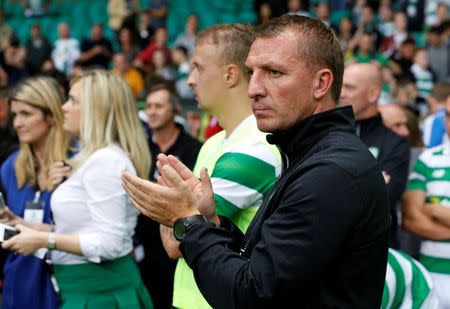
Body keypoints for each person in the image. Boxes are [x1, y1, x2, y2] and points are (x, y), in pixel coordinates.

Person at [123, 15, 391, 308]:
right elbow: (271, 265)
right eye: (252, 72)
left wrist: (188, 222)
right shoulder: (308, 155)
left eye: (274, 73)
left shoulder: (331, 172)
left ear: (321, 84)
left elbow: (253, 294)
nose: (254, 89)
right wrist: (212, 223)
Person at [2, 71, 153, 308]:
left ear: (95, 109)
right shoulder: (94, 158)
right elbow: (80, 229)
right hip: (82, 289)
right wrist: (22, 224)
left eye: (73, 100)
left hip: (99, 291)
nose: (63, 107)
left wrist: (42, 239)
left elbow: (110, 243)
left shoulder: (106, 160)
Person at [160, 24, 281, 309]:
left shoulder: (257, 147)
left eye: (198, 68)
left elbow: (175, 243)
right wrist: (174, 206)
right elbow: (179, 221)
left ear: (230, 74)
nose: (190, 80)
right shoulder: (212, 144)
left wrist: (169, 202)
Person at [0, 77, 71, 309]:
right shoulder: (11, 167)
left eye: (26, 114)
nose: (17, 123)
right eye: (15, 115)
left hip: (63, 283)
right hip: (18, 282)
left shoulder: (75, 163)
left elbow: (89, 233)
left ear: (51, 115)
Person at [135, 84, 202, 309]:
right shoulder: (141, 149)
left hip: (178, 247)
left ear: (175, 109)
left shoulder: (194, 149)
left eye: (158, 106)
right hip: (145, 248)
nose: (151, 111)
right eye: (149, 106)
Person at [340, 63, 410, 248]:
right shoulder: (325, 135)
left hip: (378, 255)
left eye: (350, 87)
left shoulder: (395, 142)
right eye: (340, 86)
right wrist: (370, 180)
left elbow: (384, 199)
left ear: (373, 94)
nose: (341, 93)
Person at [403, 94, 450, 308]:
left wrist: (439, 213)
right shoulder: (428, 159)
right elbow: (411, 220)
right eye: (448, 116)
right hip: (432, 279)